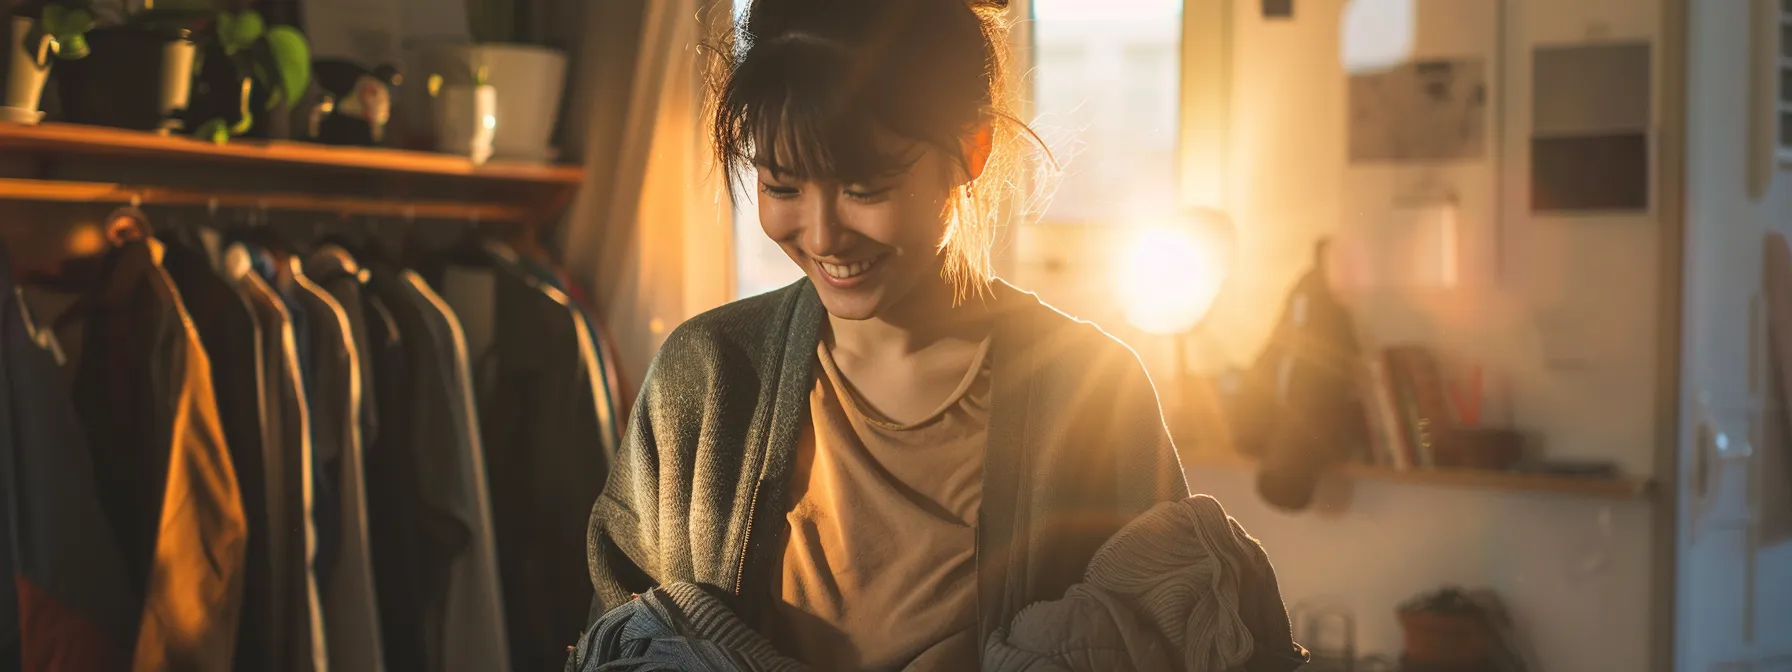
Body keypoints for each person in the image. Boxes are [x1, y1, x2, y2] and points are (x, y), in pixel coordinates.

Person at [582, 0, 1191, 668]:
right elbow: (619, 638)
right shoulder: (705, 377)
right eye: (782, 185)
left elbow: (1171, 629)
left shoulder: (1091, 395)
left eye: (864, 189)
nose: (820, 236)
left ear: (972, 149)